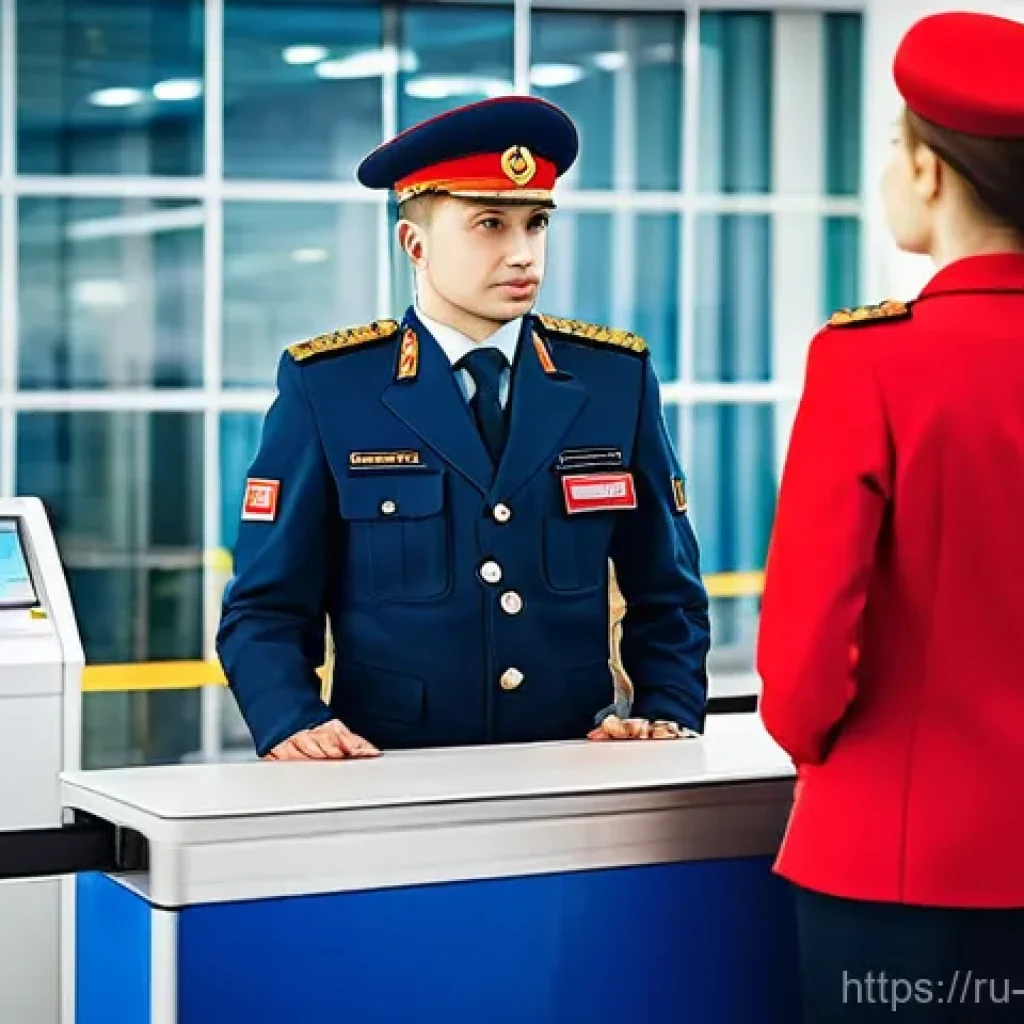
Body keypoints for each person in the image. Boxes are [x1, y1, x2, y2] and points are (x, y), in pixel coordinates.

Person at [217, 95, 710, 762]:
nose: (522, 254)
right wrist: (291, 721)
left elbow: (669, 593)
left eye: (535, 224)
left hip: (577, 767)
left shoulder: (613, 381)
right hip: (386, 773)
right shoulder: (332, 388)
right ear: (413, 243)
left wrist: (665, 714)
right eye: (488, 224)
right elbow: (264, 607)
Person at [756, 11, 1024, 1021]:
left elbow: (802, 667)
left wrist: (817, 742)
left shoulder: (873, 358)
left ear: (926, 172)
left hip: (902, 867)